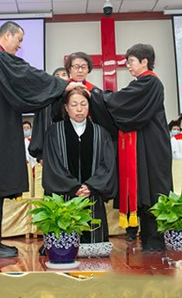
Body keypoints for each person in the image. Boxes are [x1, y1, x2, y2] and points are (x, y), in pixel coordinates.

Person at [0, 21, 81, 258]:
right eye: (19, 40)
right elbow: (26, 75)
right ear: (7, 35)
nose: (19, 46)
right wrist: (63, 85)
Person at [90, 43, 171, 251]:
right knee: (144, 189)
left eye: (131, 61)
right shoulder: (143, 83)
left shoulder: (150, 82)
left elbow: (121, 100)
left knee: (153, 190)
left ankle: (155, 241)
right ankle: (149, 240)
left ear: (145, 61)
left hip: (153, 146)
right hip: (143, 143)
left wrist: (95, 93)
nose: (128, 66)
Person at [43, 88, 117, 253]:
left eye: (83, 104)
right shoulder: (54, 132)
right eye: (74, 104)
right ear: (66, 107)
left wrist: (91, 186)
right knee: (62, 248)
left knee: (94, 250)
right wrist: (74, 187)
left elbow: (107, 165)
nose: (79, 109)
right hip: (64, 195)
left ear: (89, 107)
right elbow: (52, 165)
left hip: (92, 195)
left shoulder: (100, 133)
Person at [28, 67, 69, 163]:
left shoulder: (76, 100)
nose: (61, 78)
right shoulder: (45, 100)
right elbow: (38, 128)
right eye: (57, 76)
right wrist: (40, 154)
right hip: (50, 151)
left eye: (64, 75)